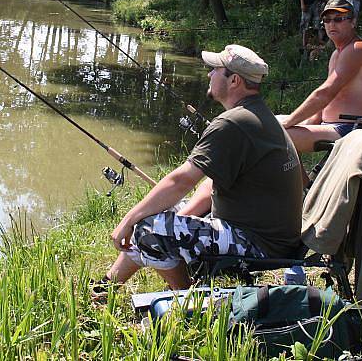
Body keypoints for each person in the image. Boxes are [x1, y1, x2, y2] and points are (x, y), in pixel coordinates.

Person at [99, 45, 303, 291]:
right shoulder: (258, 115)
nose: (209, 75)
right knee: (156, 214)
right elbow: (209, 182)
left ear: (235, 80)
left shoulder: (233, 123)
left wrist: (128, 220)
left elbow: (181, 181)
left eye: (215, 69)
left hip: (258, 246)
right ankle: (106, 287)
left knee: (148, 229)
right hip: (270, 238)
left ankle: (186, 300)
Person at [278, 0, 362, 153]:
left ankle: (290, 178)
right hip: (333, 126)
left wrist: (289, 122)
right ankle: (302, 179)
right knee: (268, 123)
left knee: (274, 135)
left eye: (339, 19)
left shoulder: (357, 49)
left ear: (353, 22)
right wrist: (308, 122)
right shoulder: (337, 54)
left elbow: (324, 94)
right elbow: (327, 101)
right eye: (327, 19)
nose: (332, 24)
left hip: (353, 130)